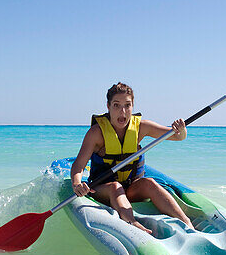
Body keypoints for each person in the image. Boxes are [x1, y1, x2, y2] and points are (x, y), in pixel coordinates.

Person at [70, 82, 193, 233]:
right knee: (116, 187)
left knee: (149, 183)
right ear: (108, 107)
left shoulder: (141, 127)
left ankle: (187, 223)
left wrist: (181, 130)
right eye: (116, 105)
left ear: (132, 106)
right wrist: (77, 183)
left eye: (127, 105)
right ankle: (132, 223)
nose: (122, 112)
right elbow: (78, 166)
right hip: (104, 189)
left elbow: (178, 137)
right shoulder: (96, 133)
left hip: (131, 188)